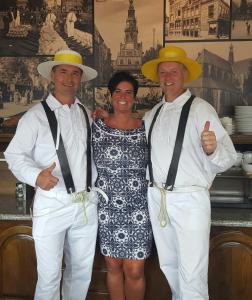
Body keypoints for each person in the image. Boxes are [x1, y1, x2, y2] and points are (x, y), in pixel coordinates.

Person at [140, 45, 237, 299]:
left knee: (192, 272)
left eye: (174, 71)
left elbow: (227, 157)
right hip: (157, 198)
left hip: (189, 200)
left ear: (184, 75)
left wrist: (212, 149)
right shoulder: (152, 115)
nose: (168, 77)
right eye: (163, 72)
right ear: (158, 77)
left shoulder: (201, 109)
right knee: (169, 266)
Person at [4, 49, 99, 300]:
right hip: (52, 204)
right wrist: (36, 176)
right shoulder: (35, 116)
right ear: (53, 76)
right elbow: (14, 155)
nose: (69, 78)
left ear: (81, 79)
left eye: (75, 73)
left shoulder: (85, 114)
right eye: (63, 72)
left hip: (86, 205)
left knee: (80, 273)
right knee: (49, 276)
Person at [92, 71, 152, 300]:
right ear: (111, 95)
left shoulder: (146, 128)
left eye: (128, 92)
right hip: (107, 206)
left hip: (139, 207)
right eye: (118, 91)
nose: (123, 96)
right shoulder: (96, 126)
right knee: (114, 266)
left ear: (135, 97)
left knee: (135, 270)